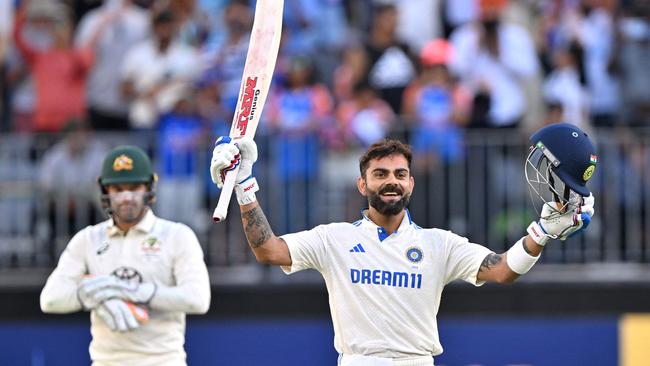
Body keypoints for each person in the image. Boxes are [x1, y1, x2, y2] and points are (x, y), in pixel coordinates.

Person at [209, 123, 597, 365]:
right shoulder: (334, 238)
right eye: (380, 174)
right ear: (363, 185)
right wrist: (243, 185)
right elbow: (268, 250)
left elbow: (502, 269)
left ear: (411, 183)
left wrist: (541, 233)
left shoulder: (439, 244)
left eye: (399, 174)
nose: (390, 181)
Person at [41, 145, 210, 366]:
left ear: (149, 188)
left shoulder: (177, 235)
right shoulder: (88, 239)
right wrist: (98, 294)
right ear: (105, 191)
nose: (126, 197)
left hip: (163, 360)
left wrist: (131, 290)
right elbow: (50, 299)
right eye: (117, 189)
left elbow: (198, 300)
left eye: (134, 187)